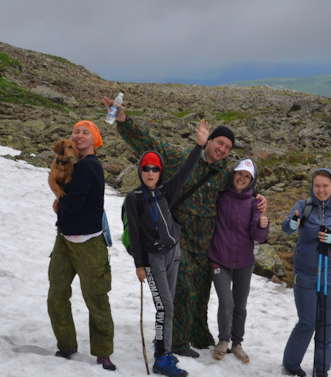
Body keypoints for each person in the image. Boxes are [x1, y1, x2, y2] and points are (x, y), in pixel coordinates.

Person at [104, 95, 267, 357]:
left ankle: (198, 333)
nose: (223, 149)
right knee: (183, 289)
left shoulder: (225, 173)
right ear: (209, 140)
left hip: (206, 242)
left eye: (228, 146)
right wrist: (123, 121)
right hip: (179, 236)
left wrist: (258, 198)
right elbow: (150, 145)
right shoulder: (181, 156)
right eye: (219, 142)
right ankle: (178, 341)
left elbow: (242, 185)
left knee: (200, 291)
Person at [124, 119, 210, 377]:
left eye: (155, 169)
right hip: (153, 260)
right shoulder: (133, 198)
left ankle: (164, 347)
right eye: (146, 168)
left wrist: (199, 146)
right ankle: (163, 358)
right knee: (166, 307)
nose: (150, 173)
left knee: (167, 305)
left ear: (160, 172)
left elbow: (185, 171)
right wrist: (140, 264)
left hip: (173, 254)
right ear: (140, 171)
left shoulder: (164, 192)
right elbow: (136, 235)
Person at [47, 120, 116, 370]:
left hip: (89, 243)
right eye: (76, 131)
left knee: (95, 298)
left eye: (86, 133)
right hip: (65, 239)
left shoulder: (89, 166)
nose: (79, 135)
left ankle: (102, 352)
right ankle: (67, 344)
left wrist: (56, 194)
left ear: (95, 141)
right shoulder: (74, 165)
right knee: (57, 292)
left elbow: (73, 202)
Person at [281, 168, 331, 377]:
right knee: (307, 321)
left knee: (326, 322)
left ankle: (322, 367)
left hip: (330, 276)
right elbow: (286, 227)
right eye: (317, 186)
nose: (321, 190)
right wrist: (292, 223)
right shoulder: (304, 206)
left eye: (325, 186)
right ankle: (291, 363)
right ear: (312, 187)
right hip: (304, 275)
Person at [208, 159, 269, 364]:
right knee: (226, 303)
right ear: (233, 173)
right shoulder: (220, 195)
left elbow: (258, 237)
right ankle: (223, 340)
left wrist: (262, 224)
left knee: (240, 306)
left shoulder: (254, 202)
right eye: (239, 173)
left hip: (244, 261)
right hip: (219, 258)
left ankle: (237, 344)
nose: (242, 179)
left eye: (247, 176)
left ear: (252, 180)